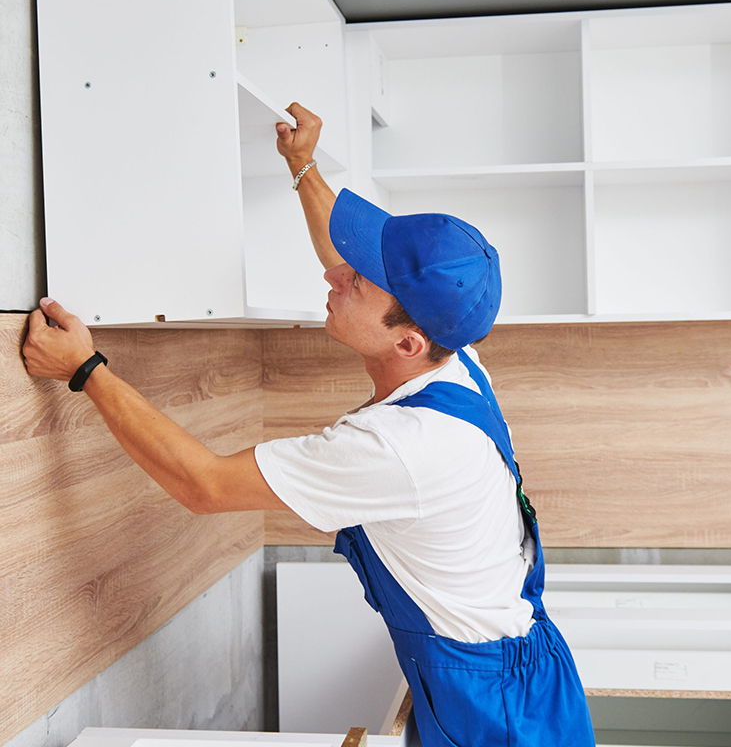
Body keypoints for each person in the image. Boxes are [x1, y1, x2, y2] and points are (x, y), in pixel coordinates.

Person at [23, 103, 595, 746]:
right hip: (522, 671)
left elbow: (205, 487)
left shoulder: (401, 448)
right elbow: (347, 256)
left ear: (407, 342)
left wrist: (84, 369)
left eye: (357, 281)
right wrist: (302, 166)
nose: (333, 271)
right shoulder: (452, 353)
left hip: (495, 715)